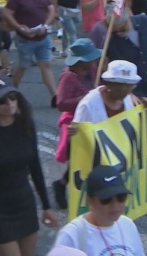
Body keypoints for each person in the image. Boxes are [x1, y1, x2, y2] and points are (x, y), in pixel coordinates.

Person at [0, 73, 57, 255]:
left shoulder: (25, 123)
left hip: (24, 202)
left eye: (12, 97)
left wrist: (46, 206)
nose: (9, 103)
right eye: (2, 100)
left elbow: (35, 166)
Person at [52, 38, 103, 209]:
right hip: (75, 124)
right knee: (79, 158)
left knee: (90, 157)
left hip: (93, 120)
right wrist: (82, 100)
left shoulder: (94, 70)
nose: (95, 60)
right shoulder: (68, 77)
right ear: (82, 61)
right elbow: (61, 103)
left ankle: (64, 184)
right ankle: (64, 185)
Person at [53, 165, 145, 256]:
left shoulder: (128, 225)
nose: (115, 205)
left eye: (121, 197)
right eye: (106, 199)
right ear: (90, 200)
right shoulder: (73, 235)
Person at [90, 5, 147, 100]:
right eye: (115, 30)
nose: (119, 32)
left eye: (122, 28)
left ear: (129, 19)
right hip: (133, 90)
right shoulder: (110, 41)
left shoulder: (144, 21)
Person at [3, 0, 58, 99]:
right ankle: (12, 89)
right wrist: (19, 27)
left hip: (42, 36)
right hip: (25, 38)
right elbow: (7, 13)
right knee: (23, 66)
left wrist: (45, 25)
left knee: (46, 64)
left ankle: (55, 96)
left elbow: (51, 9)